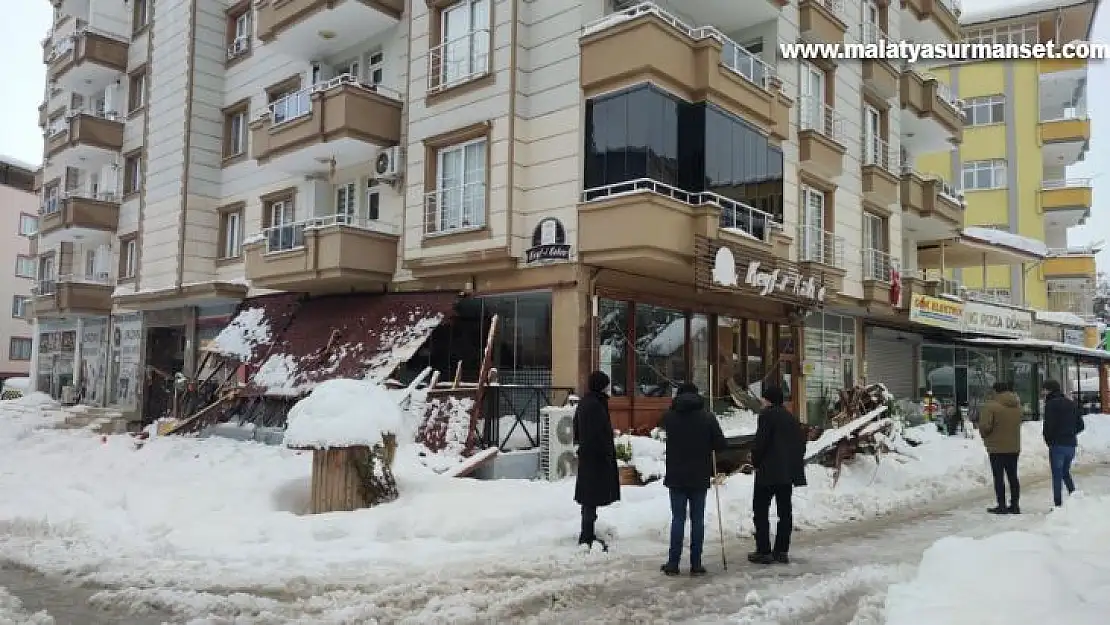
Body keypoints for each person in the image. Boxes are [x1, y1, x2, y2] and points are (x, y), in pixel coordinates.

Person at [657, 382, 727, 577]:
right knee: (697, 519)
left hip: (676, 476)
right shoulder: (707, 417)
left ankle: (673, 564)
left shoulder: (670, 416)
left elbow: (662, 425)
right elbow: (721, 445)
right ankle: (696, 564)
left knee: (678, 518)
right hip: (699, 476)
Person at [748, 386, 806, 565]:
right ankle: (781, 551)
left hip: (767, 473)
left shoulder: (766, 416)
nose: (762, 402)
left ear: (769, 400)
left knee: (760, 511)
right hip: (786, 474)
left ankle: (764, 551)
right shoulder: (792, 419)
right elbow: (800, 446)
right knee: (784, 512)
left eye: (763, 399)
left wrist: (755, 461)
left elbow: (761, 443)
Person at [573, 370, 620, 550]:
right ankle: (586, 537)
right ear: (601, 386)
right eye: (606, 385)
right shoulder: (595, 405)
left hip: (589, 458)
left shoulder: (588, 402)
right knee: (590, 498)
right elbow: (597, 434)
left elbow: (577, 429)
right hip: (595, 459)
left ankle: (588, 533)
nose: (609, 389)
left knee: (589, 498)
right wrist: (605, 453)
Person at [978, 381, 1023, 514]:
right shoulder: (1017, 405)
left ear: (995, 391)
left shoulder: (991, 406)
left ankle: (1001, 505)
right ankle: (1015, 505)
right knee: (1013, 476)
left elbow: (985, 426)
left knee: (999, 477)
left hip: (996, 448)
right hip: (1014, 447)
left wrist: (985, 435)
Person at [1042, 379, 1086, 507]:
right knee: (1065, 472)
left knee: (1057, 475)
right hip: (1071, 444)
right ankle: (1074, 496)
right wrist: (1070, 433)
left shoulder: (1050, 404)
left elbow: (1048, 426)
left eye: (1044, 389)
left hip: (1057, 445)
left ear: (1049, 390)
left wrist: (1049, 440)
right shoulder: (1071, 403)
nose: (1042, 392)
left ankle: (1058, 505)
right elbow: (1081, 425)